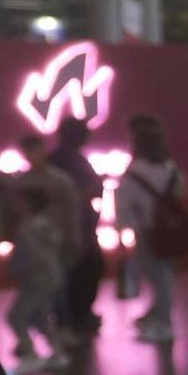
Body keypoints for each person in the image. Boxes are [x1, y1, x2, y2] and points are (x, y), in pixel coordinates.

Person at [117, 115, 188, 344]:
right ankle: (159, 316)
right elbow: (180, 193)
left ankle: (163, 322)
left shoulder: (133, 172)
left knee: (157, 277)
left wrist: (124, 228)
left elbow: (124, 205)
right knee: (165, 275)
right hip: (169, 229)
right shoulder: (171, 168)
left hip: (146, 232)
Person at [49, 118, 105, 338]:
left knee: (69, 273)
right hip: (76, 226)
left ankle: (69, 317)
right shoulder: (75, 162)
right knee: (85, 269)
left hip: (65, 226)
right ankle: (76, 318)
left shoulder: (55, 159)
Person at [4, 185, 69, 375]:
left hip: (37, 277)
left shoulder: (27, 227)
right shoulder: (49, 223)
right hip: (53, 274)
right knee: (41, 316)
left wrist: (14, 269)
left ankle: (30, 354)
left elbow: (29, 255)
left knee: (16, 316)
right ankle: (57, 353)